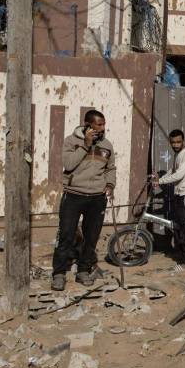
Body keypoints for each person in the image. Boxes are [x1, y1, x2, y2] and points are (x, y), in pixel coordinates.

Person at [51, 110, 116, 291]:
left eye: (104, 124)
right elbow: (69, 164)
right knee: (66, 235)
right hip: (73, 195)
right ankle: (59, 273)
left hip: (96, 198)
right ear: (88, 124)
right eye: (99, 124)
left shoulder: (107, 145)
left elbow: (111, 168)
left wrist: (110, 185)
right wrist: (86, 145)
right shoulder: (71, 141)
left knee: (91, 237)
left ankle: (83, 271)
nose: (102, 128)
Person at [153, 129, 185, 267]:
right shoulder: (178, 155)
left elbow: (179, 174)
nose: (175, 144)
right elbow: (173, 171)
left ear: (183, 141)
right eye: (173, 142)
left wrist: (160, 182)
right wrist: (160, 178)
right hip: (179, 195)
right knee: (184, 228)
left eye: (178, 142)